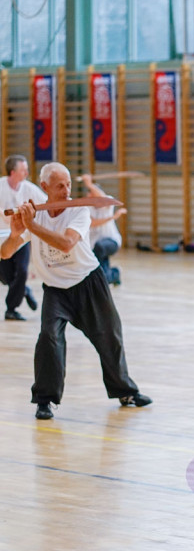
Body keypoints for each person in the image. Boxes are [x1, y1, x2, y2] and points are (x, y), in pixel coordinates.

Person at [0, 162, 151, 420]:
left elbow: (67, 243)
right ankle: (45, 400)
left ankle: (125, 391)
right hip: (56, 290)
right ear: (45, 187)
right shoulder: (36, 214)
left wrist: (32, 227)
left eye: (69, 184)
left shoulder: (78, 210)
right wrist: (16, 232)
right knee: (49, 338)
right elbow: (5, 252)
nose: (67, 190)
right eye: (60, 185)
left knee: (109, 337)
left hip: (89, 283)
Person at [0, 155, 44, 321]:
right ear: (13, 172)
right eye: (23, 169)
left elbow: (44, 204)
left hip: (21, 237)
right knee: (6, 277)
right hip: (2, 240)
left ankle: (11, 309)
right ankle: (24, 290)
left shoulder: (29, 189)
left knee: (22, 271)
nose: (26, 172)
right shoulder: (1, 186)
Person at [80, 174, 127, 285]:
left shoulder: (107, 202)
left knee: (100, 249)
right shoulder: (86, 208)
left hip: (111, 242)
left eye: (91, 192)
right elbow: (92, 223)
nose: (89, 195)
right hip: (96, 247)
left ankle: (105, 277)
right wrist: (112, 218)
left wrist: (89, 184)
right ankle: (115, 274)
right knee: (102, 276)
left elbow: (102, 198)